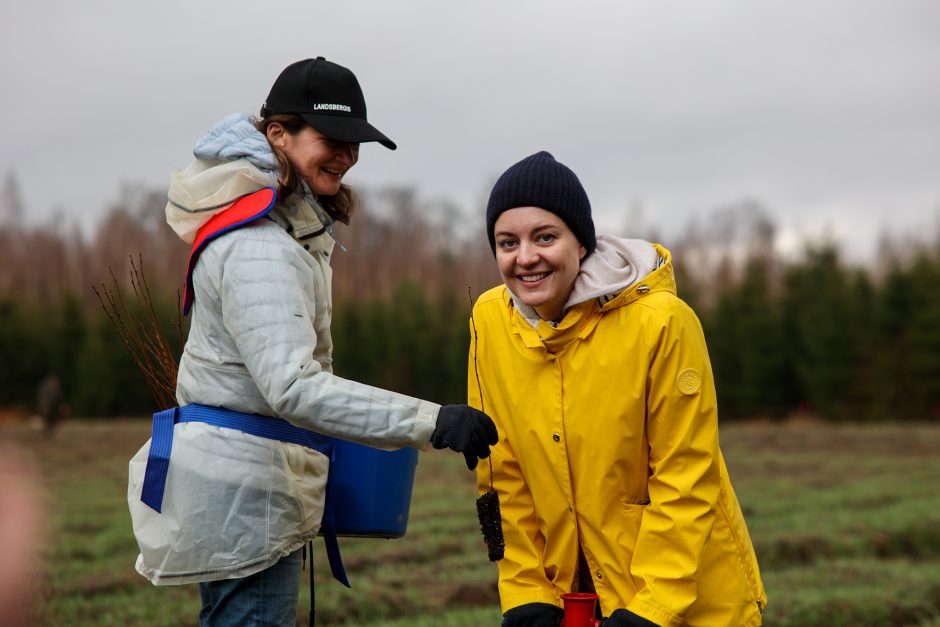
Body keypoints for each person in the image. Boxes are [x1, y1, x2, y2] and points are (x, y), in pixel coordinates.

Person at [126, 57, 497, 626]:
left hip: (249, 493)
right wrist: (433, 421)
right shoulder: (259, 246)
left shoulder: (283, 232)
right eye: (333, 138)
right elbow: (293, 388)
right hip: (245, 503)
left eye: (356, 143)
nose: (348, 156)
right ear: (278, 134)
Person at [469, 152, 766, 627]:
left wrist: (651, 609)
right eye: (508, 242)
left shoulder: (663, 322)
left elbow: (686, 473)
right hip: (575, 600)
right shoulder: (489, 320)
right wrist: (526, 590)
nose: (525, 258)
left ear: (581, 244)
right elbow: (500, 470)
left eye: (545, 237)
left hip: (687, 602)